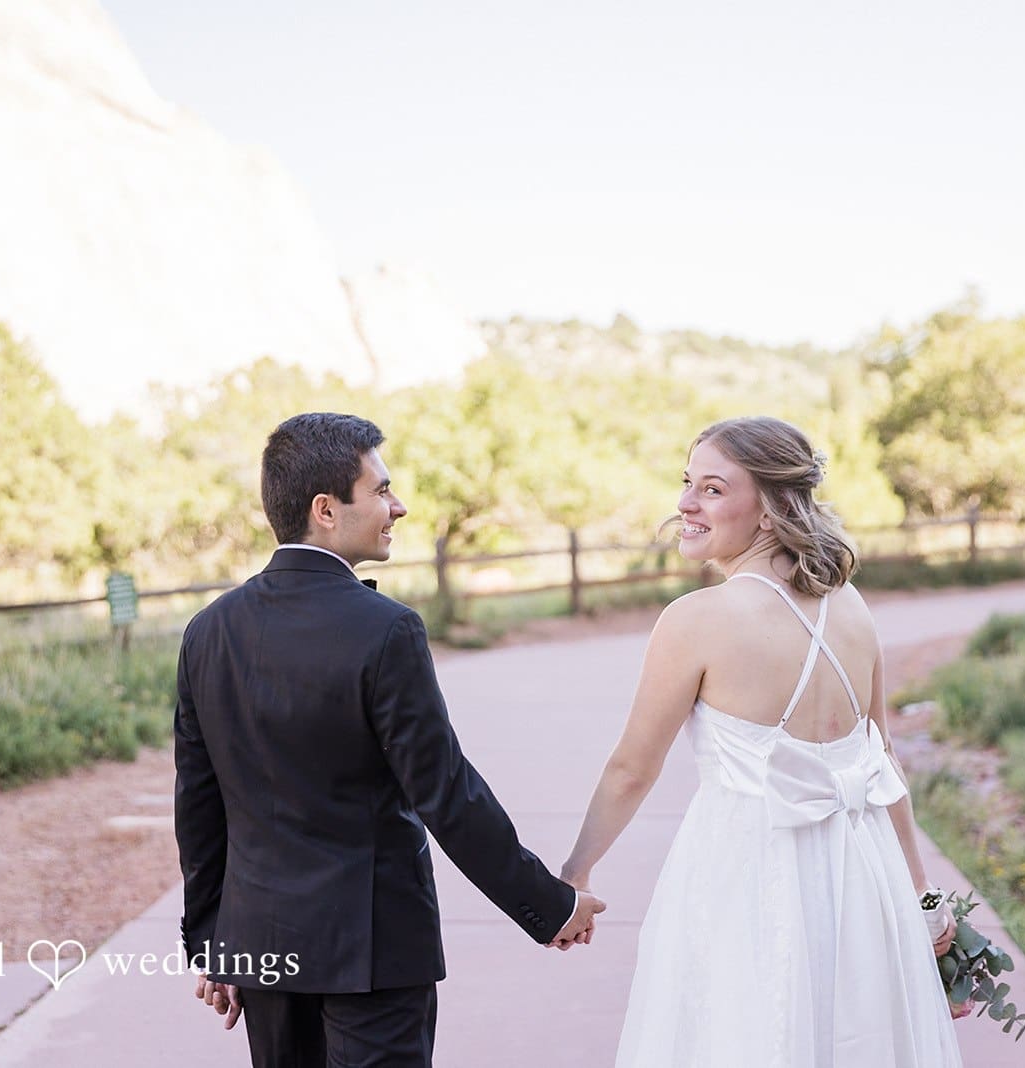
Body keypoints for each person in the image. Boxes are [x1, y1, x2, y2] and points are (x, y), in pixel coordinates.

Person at [174, 412, 604, 1067]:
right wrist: (548, 905)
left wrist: (211, 944)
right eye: (380, 490)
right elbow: (446, 794)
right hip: (373, 948)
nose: (397, 506)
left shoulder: (208, 632)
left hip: (260, 948)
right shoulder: (386, 631)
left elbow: (198, 806)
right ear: (325, 509)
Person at [562, 416, 963, 1066]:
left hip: (745, 873)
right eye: (687, 484)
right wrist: (920, 896)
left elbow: (633, 768)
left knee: (741, 1035)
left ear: (773, 510)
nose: (686, 504)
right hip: (862, 873)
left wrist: (574, 872)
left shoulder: (697, 620)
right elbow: (882, 760)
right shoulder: (853, 606)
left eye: (713, 489)